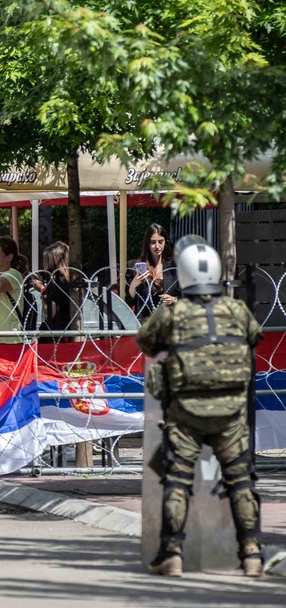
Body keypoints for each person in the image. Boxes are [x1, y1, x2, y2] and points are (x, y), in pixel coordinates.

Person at [137, 236, 264, 578]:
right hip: (231, 416)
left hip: (186, 414)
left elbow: (145, 342)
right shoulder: (236, 310)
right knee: (240, 481)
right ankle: (251, 552)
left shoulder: (173, 313)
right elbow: (255, 336)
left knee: (177, 480)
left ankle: (171, 554)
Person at [128, 223, 180, 319]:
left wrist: (173, 300)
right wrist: (133, 285)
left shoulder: (174, 268)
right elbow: (128, 302)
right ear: (147, 244)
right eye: (153, 242)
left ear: (165, 242)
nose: (157, 246)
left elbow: (185, 296)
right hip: (145, 323)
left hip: (167, 322)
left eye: (161, 242)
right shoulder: (135, 266)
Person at [32, 241, 75, 341]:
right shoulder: (71, 280)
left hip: (57, 332)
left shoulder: (58, 282)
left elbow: (50, 313)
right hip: (69, 329)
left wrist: (42, 289)